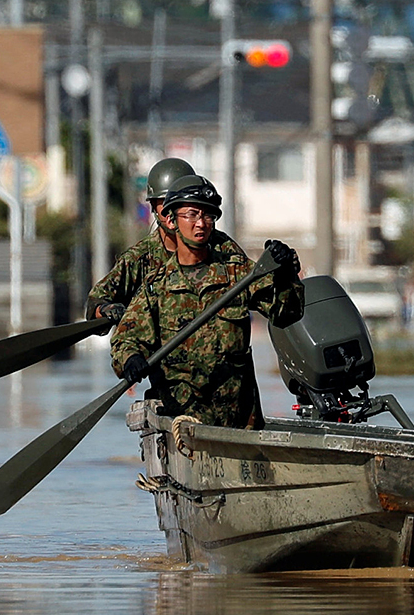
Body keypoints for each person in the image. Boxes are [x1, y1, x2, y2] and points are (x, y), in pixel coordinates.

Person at [109, 177, 304, 429]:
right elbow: (125, 339)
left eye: (208, 216)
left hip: (239, 423)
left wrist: (286, 274)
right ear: (171, 220)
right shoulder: (155, 287)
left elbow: (286, 313)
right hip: (182, 421)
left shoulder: (238, 273)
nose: (201, 223)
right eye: (191, 214)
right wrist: (131, 359)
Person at [85, 158, 247, 323]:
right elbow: (96, 302)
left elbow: (262, 291)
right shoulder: (139, 259)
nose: (171, 211)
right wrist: (108, 310)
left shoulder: (223, 249)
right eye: (166, 204)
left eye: (179, 204)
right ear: (154, 207)